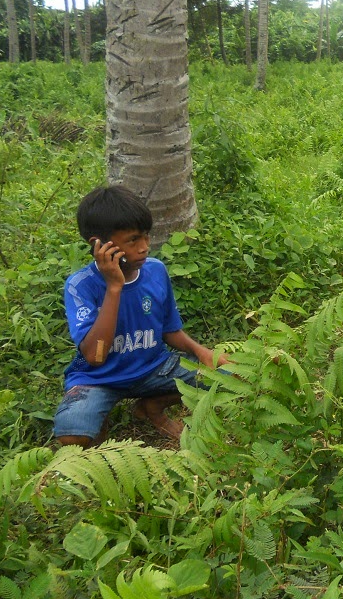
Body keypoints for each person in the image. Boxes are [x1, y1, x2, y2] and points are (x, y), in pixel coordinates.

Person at [53, 185, 228, 448]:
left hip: (153, 369)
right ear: (99, 245)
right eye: (133, 240)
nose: (145, 247)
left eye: (146, 236)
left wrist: (203, 353)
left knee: (227, 374)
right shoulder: (81, 285)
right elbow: (95, 356)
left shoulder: (155, 271)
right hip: (97, 379)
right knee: (72, 436)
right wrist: (114, 287)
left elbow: (170, 330)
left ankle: (152, 406)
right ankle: (98, 426)